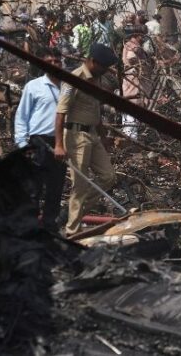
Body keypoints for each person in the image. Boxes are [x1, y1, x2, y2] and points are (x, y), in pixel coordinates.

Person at [55, 44, 119, 236]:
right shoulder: (74, 80)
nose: (106, 71)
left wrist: (104, 136)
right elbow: (60, 114)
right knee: (80, 186)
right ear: (92, 61)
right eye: (104, 66)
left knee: (109, 177)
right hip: (76, 136)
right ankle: (72, 231)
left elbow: (96, 110)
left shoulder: (97, 79)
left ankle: (73, 211)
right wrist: (58, 144)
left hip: (93, 135)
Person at [14, 48, 66, 231]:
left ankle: (49, 226)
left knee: (55, 187)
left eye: (57, 61)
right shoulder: (34, 86)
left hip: (60, 143)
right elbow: (22, 116)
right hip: (38, 142)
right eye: (49, 61)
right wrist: (22, 144)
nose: (54, 64)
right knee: (34, 186)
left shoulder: (67, 87)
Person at [121, 23, 149, 140]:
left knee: (136, 108)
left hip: (137, 81)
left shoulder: (136, 45)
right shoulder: (131, 46)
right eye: (142, 36)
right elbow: (132, 59)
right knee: (131, 107)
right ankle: (129, 138)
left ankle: (133, 138)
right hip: (132, 80)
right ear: (137, 35)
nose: (144, 38)